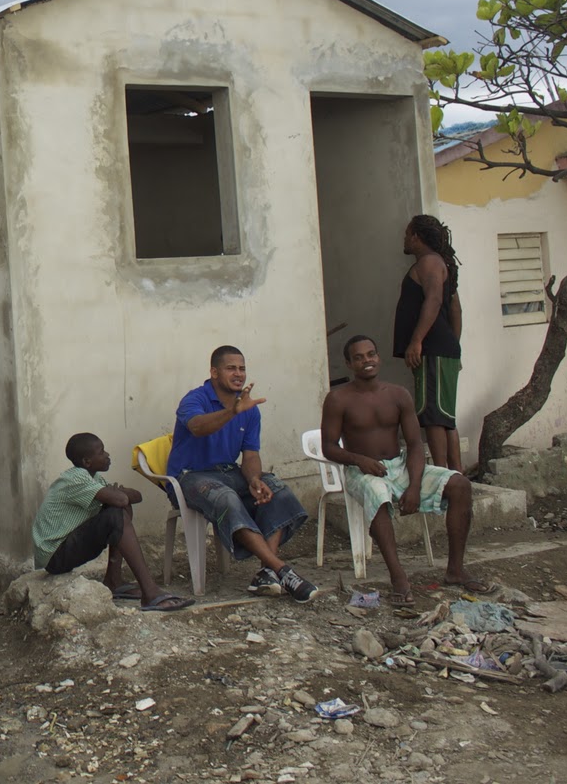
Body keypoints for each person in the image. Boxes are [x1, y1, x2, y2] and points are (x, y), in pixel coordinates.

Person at [320, 335, 493, 603]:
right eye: (358, 357)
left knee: (460, 484)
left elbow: (414, 445)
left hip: (399, 466)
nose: (367, 361)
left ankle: (456, 570)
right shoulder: (338, 399)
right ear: (349, 364)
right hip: (361, 471)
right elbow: (329, 447)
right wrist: (359, 459)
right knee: (378, 495)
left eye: (371, 354)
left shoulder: (398, 394)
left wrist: (414, 485)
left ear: (378, 357)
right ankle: (399, 579)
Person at [172, 346, 319, 602]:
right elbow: (197, 427)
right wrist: (232, 411)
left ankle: (266, 573)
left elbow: (250, 455)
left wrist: (253, 480)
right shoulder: (194, 399)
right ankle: (282, 570)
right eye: (231, 368)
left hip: (228, 473)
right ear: (214, 372)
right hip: (190, 476)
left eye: (242, 368)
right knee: (227, 498)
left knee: (276, 490)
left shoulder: (250, 408)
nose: (238, 374)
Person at [31, 432, 194, 611]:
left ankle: (114, 580)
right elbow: (121, 499)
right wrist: (117, 493)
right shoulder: (76, 478)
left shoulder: (94, 479)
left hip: (65, 548)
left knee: (118, 509)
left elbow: (136, 496)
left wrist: (117, 493)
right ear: (87, 462)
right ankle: (151, 593)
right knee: (116, 512)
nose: (107, 455)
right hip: (55, 555)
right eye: (101, 452)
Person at [394, 214, 464, 472]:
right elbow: (456, 309)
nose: (404, 239)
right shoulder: (441, 263)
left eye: (407, 234)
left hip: (433, 350)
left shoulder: (429, 262)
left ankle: (443, 475)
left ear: (416, 237)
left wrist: (417, 341)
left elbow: (433, 300)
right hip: (442, 349)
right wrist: (454, 347)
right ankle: (455, 475)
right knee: (445, 418)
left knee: (434, 416)